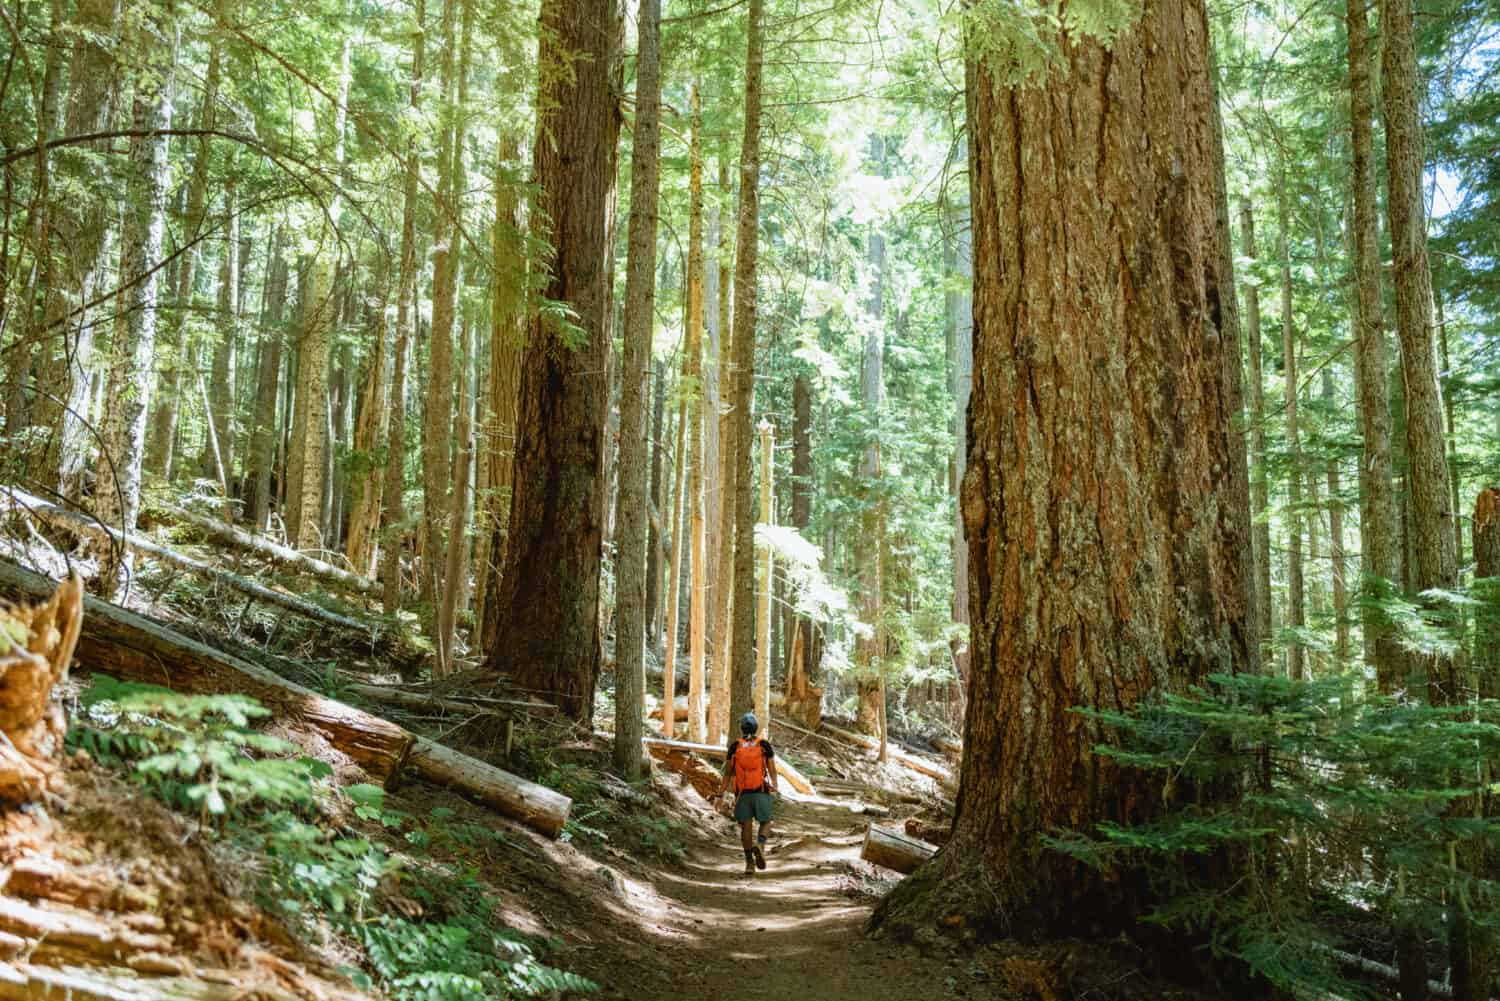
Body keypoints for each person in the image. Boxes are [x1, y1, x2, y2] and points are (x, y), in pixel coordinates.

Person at [718, 711, 778, 876]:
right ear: (756, 727)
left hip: (742, 793)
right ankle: (760, 844)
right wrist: (775, 785)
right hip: (761, 791)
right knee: (767, 821)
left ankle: (749, 864)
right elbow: (772, 770)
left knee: (746, 826)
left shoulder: (735, 746)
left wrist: (720, 794)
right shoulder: (764, 745)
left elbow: (728, 773)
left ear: (742, 729)